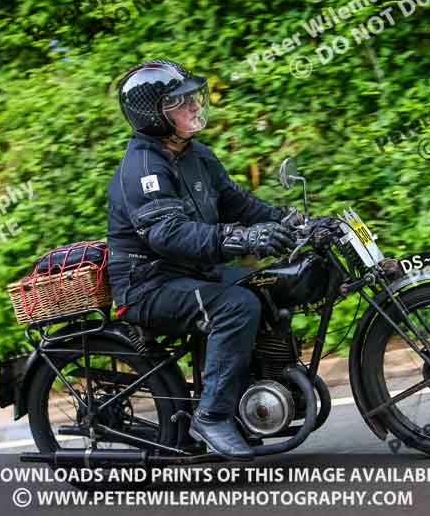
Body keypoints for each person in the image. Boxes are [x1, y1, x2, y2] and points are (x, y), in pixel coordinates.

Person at [106, 60, 305, 460]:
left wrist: (289, 222)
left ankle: (252, 395)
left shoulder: (195, 154)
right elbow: (167, 234)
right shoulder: (143, 167)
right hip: (148, 284)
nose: (194, 108)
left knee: (266, 287)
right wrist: (241, 238)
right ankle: (211, 416)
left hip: (190, 273)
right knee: (236, 306)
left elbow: (237, 203)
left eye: (193, 99)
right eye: (180, 103)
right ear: (154, 115)